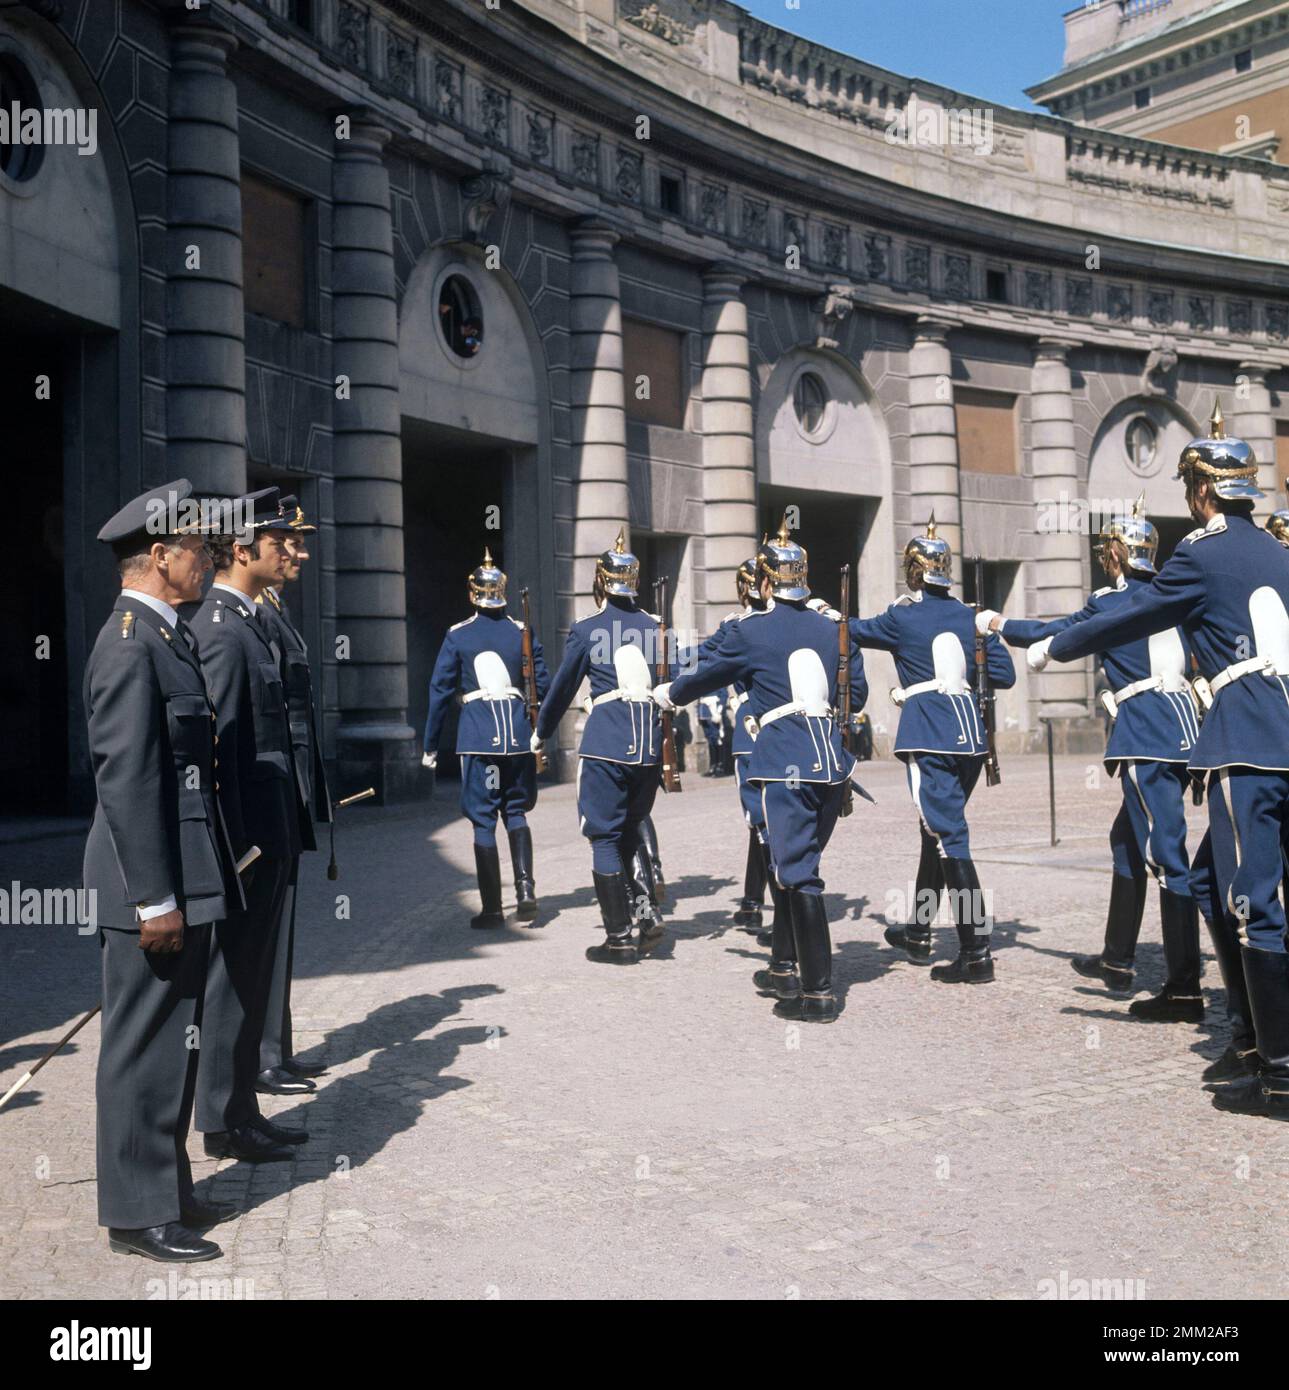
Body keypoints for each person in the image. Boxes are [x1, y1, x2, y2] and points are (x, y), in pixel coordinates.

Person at [1032, 402, 1289, 1120]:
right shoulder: (1279, 552)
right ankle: (1246, 1040)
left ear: (1202, 493)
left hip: (1251, 743)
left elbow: (1133, 614)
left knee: (1254, 907)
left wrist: (1057, 645)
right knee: (1210, 883)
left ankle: (1277, 1073)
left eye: (1190, 492)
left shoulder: (1201, 555)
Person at [85, 479, 240, 1262]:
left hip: (181, 871)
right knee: (142, 1045)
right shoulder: (126, 642)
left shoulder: (167, 635)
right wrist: (154, 898)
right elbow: (128, 780)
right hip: (146, 881)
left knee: (173, 1041)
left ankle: (166, 1189)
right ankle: (134, 1213)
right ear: (160, 555)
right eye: (200, 551)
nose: (210, 563)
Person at [982, 500, 1203, 1021]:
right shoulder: (1173, 594)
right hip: (1182, 726)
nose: (1106, 558)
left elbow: (1053, 632)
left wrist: (996, 622)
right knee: (1126, 839)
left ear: (1121, 554)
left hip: (1148, 731)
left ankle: (1185, 987)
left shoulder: (1110, 601)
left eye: (1109, 550)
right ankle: (1118, 959)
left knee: (1167, 853)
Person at [656, 519, 865, 1023]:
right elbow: (854, 695)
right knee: (800, 867)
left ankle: (816, 993)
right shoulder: (833, 628)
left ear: (767, 582)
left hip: (785, 761)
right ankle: (785, 967)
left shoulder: (751, 630)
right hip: (833, 766)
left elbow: (708, 674)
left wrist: (670, 694)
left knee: (796, 873)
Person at [190, 488, 305, 1162]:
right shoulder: (223, 629)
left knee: (251, 976)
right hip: (245, 842)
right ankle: (221, 1118)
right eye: (283, 540)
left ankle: (240, 1107)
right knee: (231, 978)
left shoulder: (252, 623)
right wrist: (229, 850)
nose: (297, 550)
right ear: (242, 547)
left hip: (268, 834)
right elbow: (220, 755)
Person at [851, 517, 1016, 983]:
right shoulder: (969, 615)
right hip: (970, 741)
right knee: (935, 832)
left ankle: (976, 950)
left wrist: (822, 613)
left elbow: (856, 631)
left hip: (930, 735)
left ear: (914, 572)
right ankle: (920, 930)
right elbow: (1003, 675)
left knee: (949, 838)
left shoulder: (903, 615)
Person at [534, 530, 673, 964]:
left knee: (602, 835)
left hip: (607, 742)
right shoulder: (654, 627)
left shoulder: (589, 628)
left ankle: (618, 938)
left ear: (601, 581)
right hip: (648, 747)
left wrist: (542, 731)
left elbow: (562, 688)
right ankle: (646, 915)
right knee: (631, 829)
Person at [422, 547, 549, 927]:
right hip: (517, 737)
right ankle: (526, 890)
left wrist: (431, 744)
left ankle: (493, 909)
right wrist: (539, 730)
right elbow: (540, 682)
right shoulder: (520, 631)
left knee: (482, 819)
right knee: (515, 810)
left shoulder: (459, 635)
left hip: (478, 738)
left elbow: (440, 691)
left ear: (471, 593)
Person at [254, 496, 333, 1089]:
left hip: (290, 789)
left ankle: (274, 1047)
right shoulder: (246, 615)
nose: (298, 552)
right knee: (260, 934)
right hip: (268, 791)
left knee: (279, 930)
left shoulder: (272, 608)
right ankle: (258, 1055)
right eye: (288, 542)